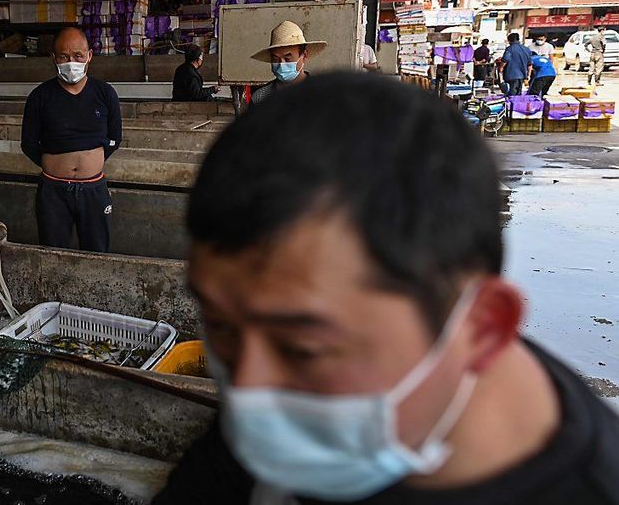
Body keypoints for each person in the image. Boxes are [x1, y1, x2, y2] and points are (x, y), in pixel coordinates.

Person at [152, 74, 619, 505]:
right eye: (219, 325)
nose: (247, 390)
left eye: (304, 347)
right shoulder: (274, 393)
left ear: (481, 328)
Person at [21, 27, 122, 253]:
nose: (71, 62)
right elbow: (28, 144)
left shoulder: (105, 94)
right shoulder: (40, 97)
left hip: (94, 189)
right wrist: (55, 164)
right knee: (53, 253)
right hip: (53, 191)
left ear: (89, 56)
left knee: (97, 252)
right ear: (53, 58)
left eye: (78, 56)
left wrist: (90, 162)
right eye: (64, 56)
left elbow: (116, 137)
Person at [250, 21, 327, 104]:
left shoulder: (322, 93)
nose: (281, 65)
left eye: (288, 59)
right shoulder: (260, 98)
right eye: (276, 59)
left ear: (304, 55)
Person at [498, 32, 531, 97]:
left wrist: (500, 69)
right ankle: (516, 106)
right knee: (518, 93)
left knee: (511, 93)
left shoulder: (510, 49)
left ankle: (511, 106)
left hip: (511, 75)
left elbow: (505, 60)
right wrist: (528, 75)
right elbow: (529, 64)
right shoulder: (526, 49)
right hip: (522, 75)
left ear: (509, 40)